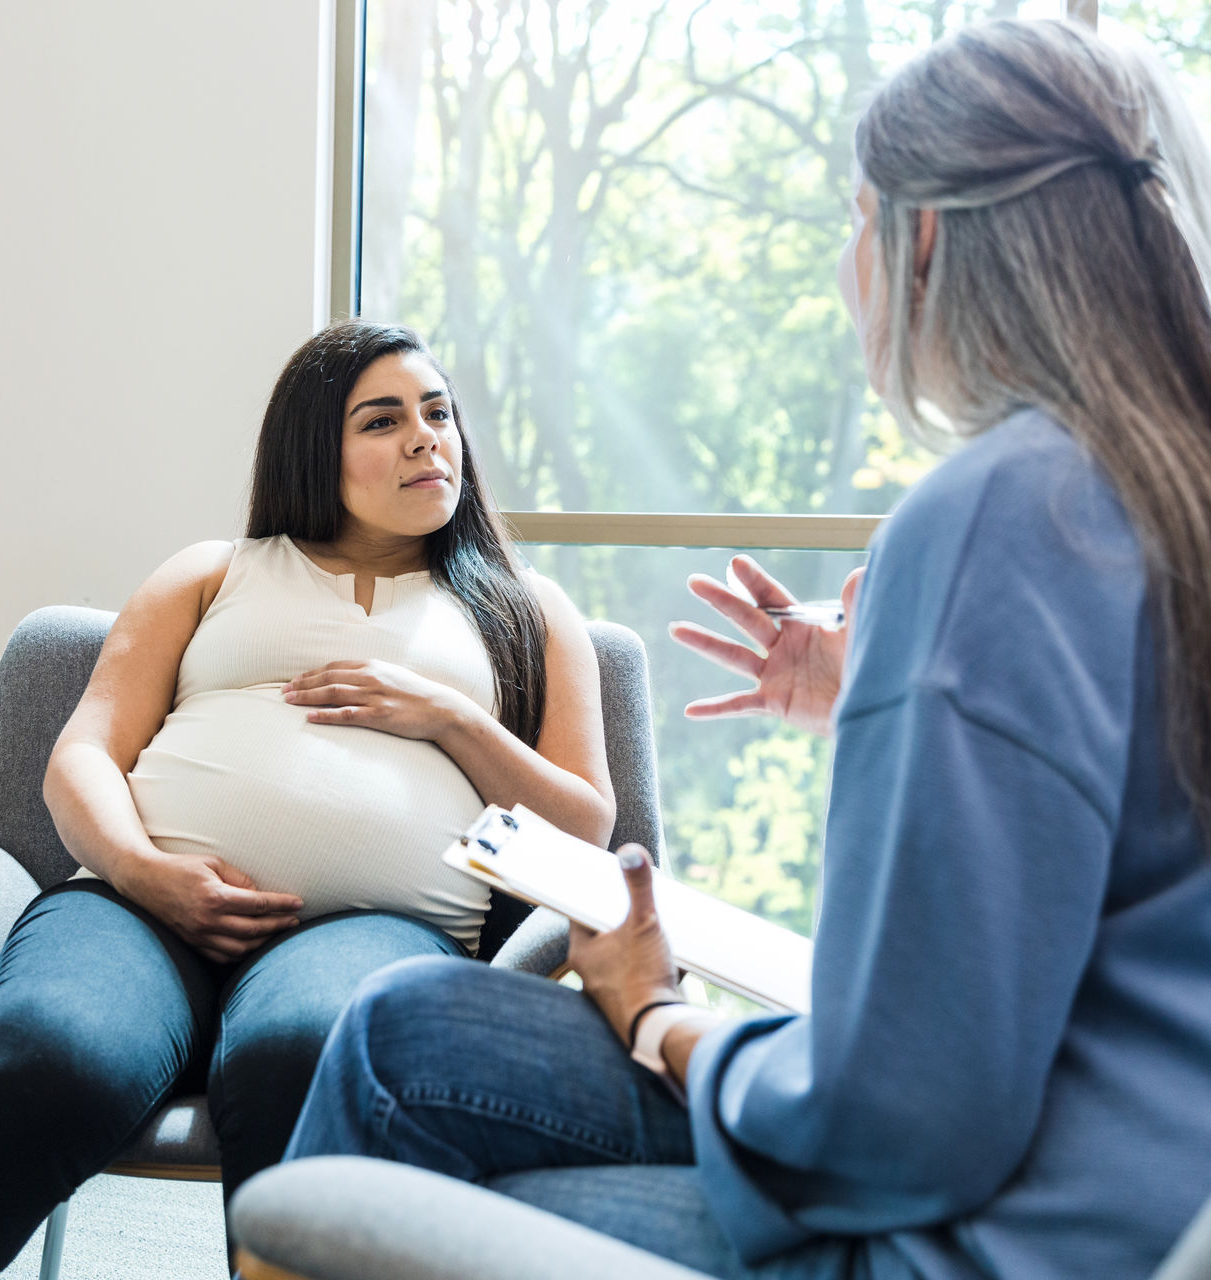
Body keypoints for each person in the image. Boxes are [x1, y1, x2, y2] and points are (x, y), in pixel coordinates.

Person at [282, 20, 1211, 1280]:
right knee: (409, 1031)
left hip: (996, 1231)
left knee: (385, 1132)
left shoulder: (1000, 513)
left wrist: (659, 1015)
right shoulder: (1152, 486)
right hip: (1138, 1170)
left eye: (852, 221)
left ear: (921, 238)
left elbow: (906, 1121)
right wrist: (887, 691)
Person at [0, 321, 615, 1279]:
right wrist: (142, 869)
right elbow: (83, 752)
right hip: (135, 909)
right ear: (311, 448)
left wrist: (452, 720)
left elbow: (586, 826)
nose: (427, 438)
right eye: (383, 420)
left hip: (378, 928)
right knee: (44, 1057)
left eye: (439, 412)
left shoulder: (526, 611)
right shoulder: (215, 571)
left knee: (304, 1053)